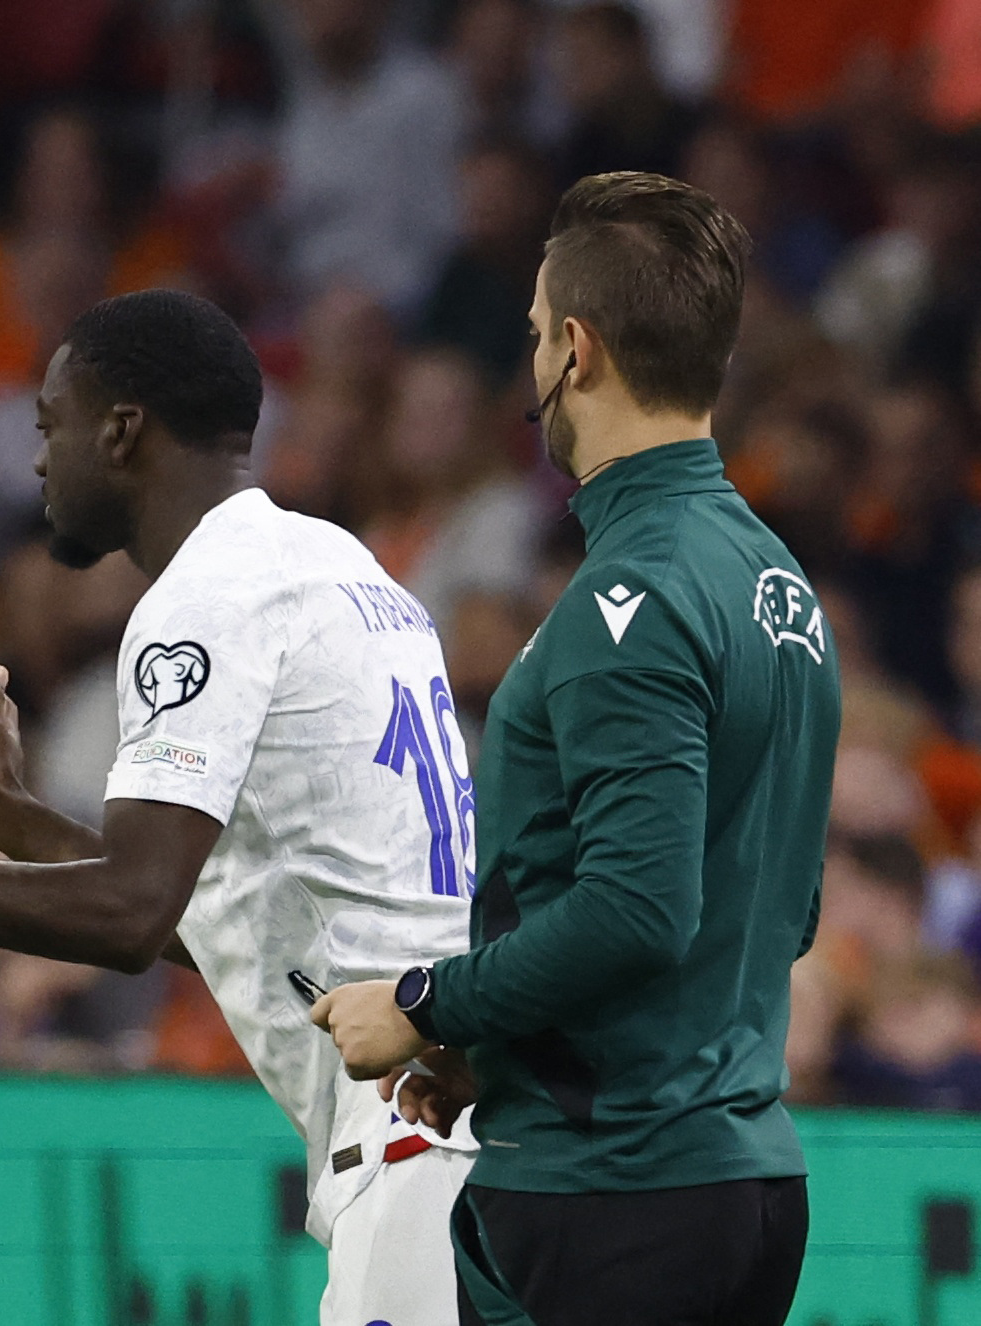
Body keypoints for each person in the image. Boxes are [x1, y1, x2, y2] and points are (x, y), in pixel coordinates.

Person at [0, 288, 478, 1324]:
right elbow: (238, 922)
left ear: (121, 430)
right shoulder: (345, 567)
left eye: (50, 424)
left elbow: (128, 915)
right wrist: (23, 831)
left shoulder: (204, 599)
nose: (38, 461)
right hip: (464, 1098)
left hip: (410, 1126)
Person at [314, 173, 841, 1326]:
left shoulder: (629, 601)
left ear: (577, 349)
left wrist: (428, 1006)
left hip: (612, 1194)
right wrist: (505, 1044)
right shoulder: (777, 585)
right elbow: (783, 911)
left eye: (535, 333)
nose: (533, 365)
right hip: (741, 1177)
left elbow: (639, 910)